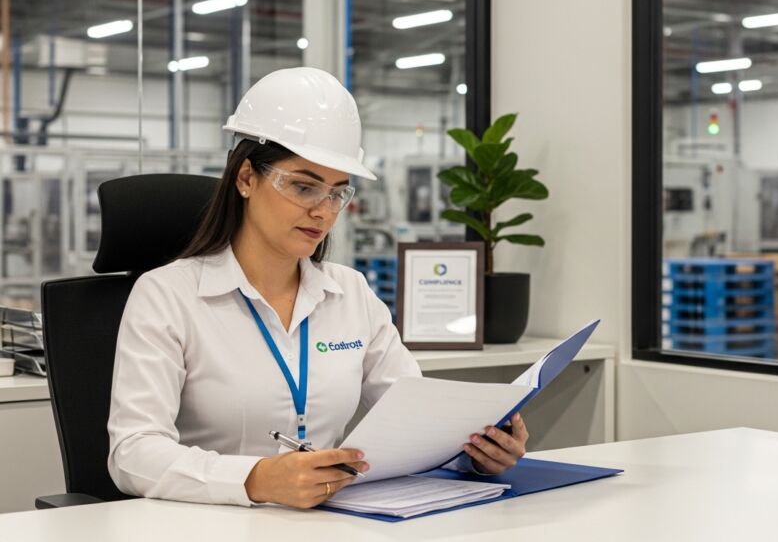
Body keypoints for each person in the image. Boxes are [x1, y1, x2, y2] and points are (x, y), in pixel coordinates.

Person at [107, 67, 528, 509]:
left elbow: (415, 417)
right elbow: (132, 453)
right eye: (304, 187)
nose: (322, 212)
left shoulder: (351, 292)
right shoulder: (167, 296)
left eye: (336, 194)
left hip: (334, 522)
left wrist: (479, 452)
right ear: (246, 178)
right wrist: (256, 479)